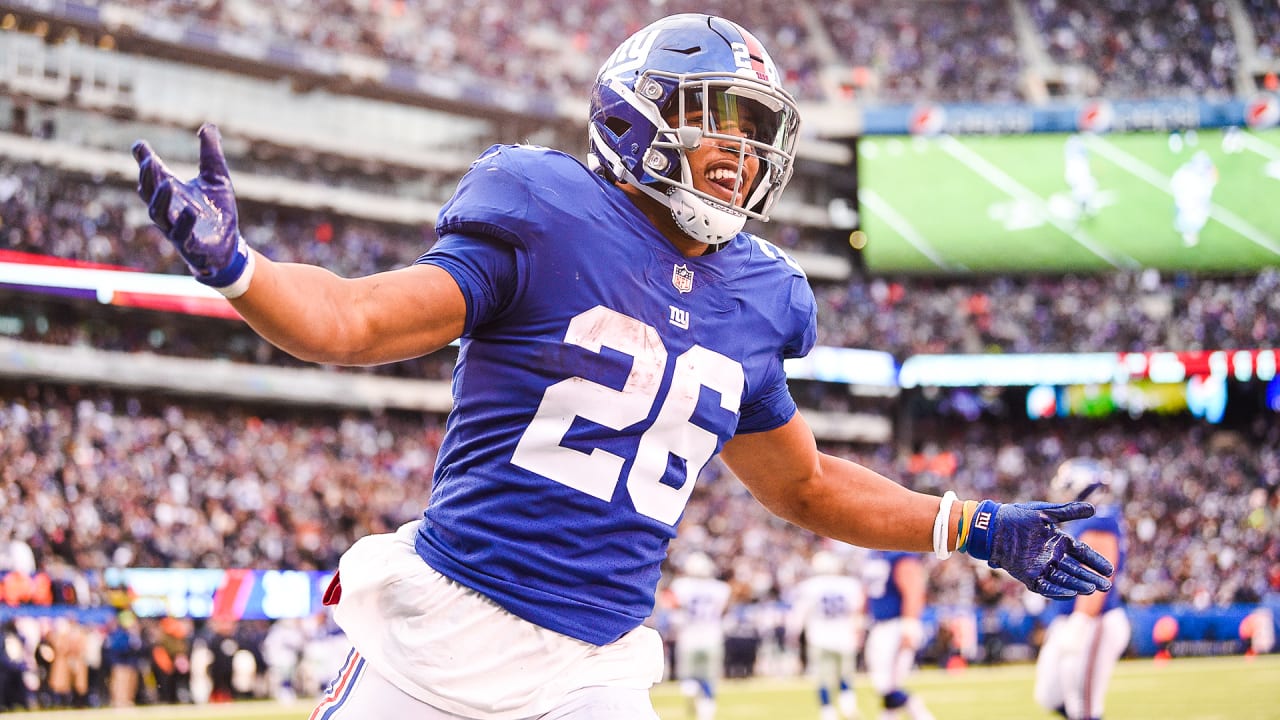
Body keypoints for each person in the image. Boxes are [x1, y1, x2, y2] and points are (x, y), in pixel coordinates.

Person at [130, 13, 1114, 719]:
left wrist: (967, 525)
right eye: (715, 116)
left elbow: (806, 487)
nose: (738, 150)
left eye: (752, 128)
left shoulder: (756, 296)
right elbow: (352, 320)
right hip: (441, 636)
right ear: (639, 115)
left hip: (593, 667)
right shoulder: (546, 213)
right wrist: (240, 269)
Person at [1033, 459, 1128, 720]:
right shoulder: (1082, 520)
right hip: (1068, 618)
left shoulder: (1100, 519)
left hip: (1094, 621)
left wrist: (1081, 620)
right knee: (1049, 694)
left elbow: (1099, 571)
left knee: (1083, 706)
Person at [785, 549, 865, 720]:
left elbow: (798, 614)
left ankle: (828, 711)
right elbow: (858, 613)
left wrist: (792, 636)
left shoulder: (809, 586)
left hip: (819, 637)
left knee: (822, 677)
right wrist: (859, 633)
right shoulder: (850, 584)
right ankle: (848, 706)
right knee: (845, 674)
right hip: (845, 636)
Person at [861, 551, 933, 720]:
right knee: (883, 684)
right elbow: (868, 592)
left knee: (888, 685)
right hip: (879, 625)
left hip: (897, 624)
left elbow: (914, 590)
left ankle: (922, 714)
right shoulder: (873, 555)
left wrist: (909, 627)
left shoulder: (900, 555)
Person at [664, 552, 731, 720]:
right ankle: (706, 710)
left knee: (688, 675)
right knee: (708, 678)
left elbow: (670, 607)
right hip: (712, 636)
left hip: (689, 637)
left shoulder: (680, 585)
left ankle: (690, 688)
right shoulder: (721, 588)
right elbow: (723, 611)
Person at [1170, 150, 1218, 247]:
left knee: (1185, 219)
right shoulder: (1204, 180)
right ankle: (1188, 234)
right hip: (1190, 207)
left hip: (1186, 205)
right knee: (1190, 221)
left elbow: (1174, 184)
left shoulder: (1184, 172)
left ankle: (1187, 232)